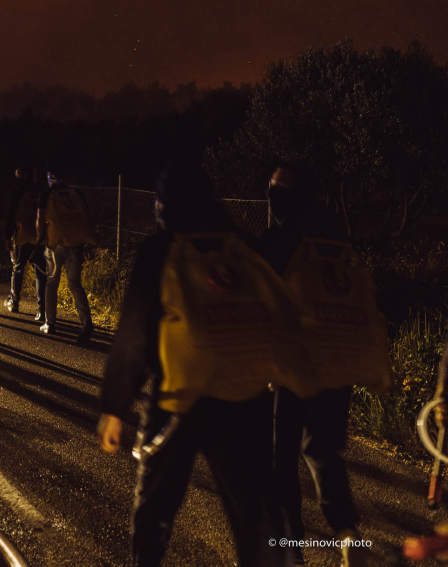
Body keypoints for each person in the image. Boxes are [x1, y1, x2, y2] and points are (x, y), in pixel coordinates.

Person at [98, 162, 281, 567]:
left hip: (178, 399)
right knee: (251, 512)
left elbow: (135, 335)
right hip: (244, 397)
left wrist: (114, 407)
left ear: (164, 204)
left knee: (156, 508)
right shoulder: (245, 247)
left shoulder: (160, 251)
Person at [257, 163, 366, 566]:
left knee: (280, 459)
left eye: (277, 190)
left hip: (290, 366)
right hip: (338, 360)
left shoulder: (277, 242)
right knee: (321, 449)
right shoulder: (338, 239)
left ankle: (290, 549)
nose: (272, 196)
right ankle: (347, 533)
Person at [36, 165, 97, 343]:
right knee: (75, 284)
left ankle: (50, 323)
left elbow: (40, 220)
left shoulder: (46, 194)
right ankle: (86, 323)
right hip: (76, 243)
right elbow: (89, 216)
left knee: (51, 283)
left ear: (51, 177)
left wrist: (40, 238)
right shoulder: (77, 193)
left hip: (55, 244)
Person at [3, 164, 45, 320]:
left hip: (22, 236)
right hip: (39, 237)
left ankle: (14, 302)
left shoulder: (17, 191)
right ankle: (41, 309)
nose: (16, 177)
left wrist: (7, 237)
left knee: (18, 268)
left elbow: (11, 215)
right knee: (40, 272)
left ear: (23, 175)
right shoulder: (40, 191)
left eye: (18, 174)